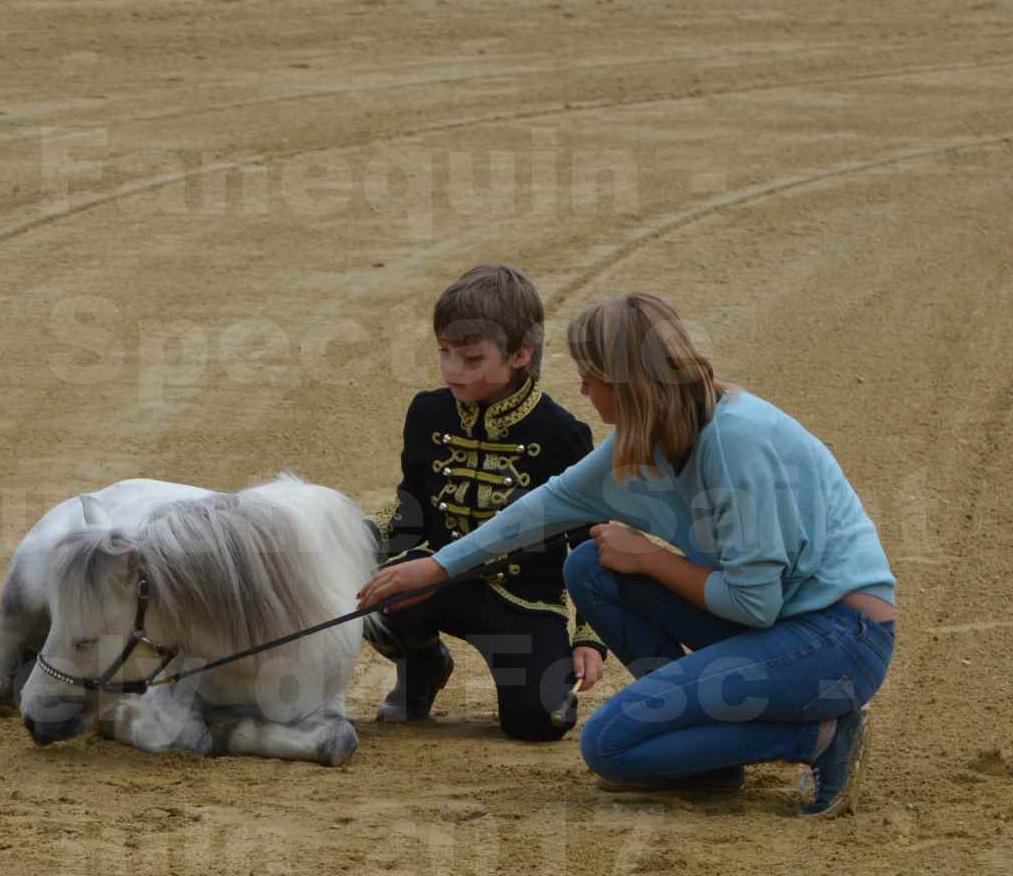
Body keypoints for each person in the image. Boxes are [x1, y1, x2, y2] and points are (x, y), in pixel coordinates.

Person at [358, 292, 896, 817]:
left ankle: (819, 735)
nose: (583, 387)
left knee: (609, 746)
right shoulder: (648, 433)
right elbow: (545, 506)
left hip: (839, 641)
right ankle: (708, 759)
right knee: (590, 567)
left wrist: (648, 558)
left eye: (592, 375)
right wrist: (436, 566)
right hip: (782, 626)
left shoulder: (737, 441)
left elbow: (753, 603)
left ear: (630, 384)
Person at [365, 264, 607, 742]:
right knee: (362, 592)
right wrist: (354, 543)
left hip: (523, 603)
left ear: (521, 354)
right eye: (445, 353)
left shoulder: (561, 433)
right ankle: (422, 664)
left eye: (471, 358)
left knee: (538, 724)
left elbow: (592, 542)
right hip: (433, 580)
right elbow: (411, 510)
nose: (452, 369)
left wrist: (590, 639)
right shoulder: (427, 412)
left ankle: (545, 684)